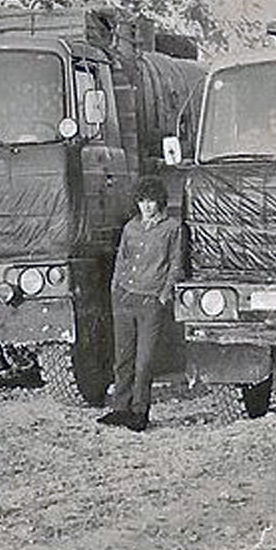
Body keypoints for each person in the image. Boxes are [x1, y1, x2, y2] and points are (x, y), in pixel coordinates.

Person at [97, 175, 184, 432]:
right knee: (123, 358)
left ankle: (140, 411)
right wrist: (115, 289)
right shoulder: (130, 228)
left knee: (144, 360)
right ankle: (120, 408)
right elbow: (121, 260)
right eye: (142, 201)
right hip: (125, 298)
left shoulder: (172, 228)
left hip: (151, 301)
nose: (146, 207)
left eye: (152, 202)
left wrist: (163, 295)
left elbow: (175, 264)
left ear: (160, 202)